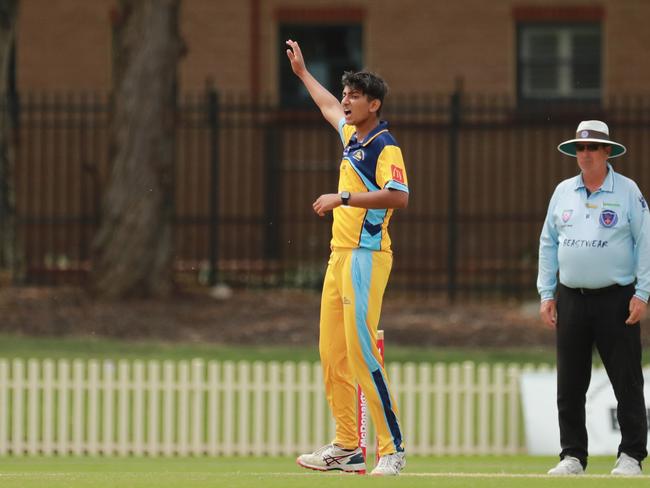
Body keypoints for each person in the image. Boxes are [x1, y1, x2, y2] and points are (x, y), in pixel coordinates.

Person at [285, 39, 408, 476]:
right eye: (346, 94)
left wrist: (342, 197)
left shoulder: (383, 145)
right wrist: (302, 75)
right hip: (339, 258)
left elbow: (398, 196)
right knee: (332, 354)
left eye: (355, 96)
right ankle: (346, 446)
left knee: (361, 353)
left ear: (373, 104)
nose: (346, 102)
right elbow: (327, 109)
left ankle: (390, 448)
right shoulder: (352, 137)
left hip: (366, 257)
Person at [537, 120, 650, 476]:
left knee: (626, 378)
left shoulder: (628, 191)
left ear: (606, 152)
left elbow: (645, 243)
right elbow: (548, 243)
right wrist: (546, 293)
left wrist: (643, 293)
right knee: (570, 380)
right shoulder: (563, 192)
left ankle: (631, 455)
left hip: (616, 298)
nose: (584, 154)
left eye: (591, 148)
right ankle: (572, 455)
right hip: (571, 297)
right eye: (579, 148)